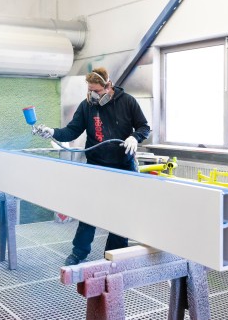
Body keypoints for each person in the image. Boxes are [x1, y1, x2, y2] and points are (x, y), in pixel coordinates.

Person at [38, 67, 151, 265]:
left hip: (123, 166)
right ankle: (78, 252)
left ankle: (112, 258)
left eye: (97, 91)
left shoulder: (127, 102)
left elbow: (144, 127)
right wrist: (53, 132)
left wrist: (134, 136)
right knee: (89, 210)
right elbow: (72, 131)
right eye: (90, 90)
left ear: (109, 86)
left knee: (120, 213)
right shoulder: (87, 106)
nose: (93, 95)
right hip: (96, 165)